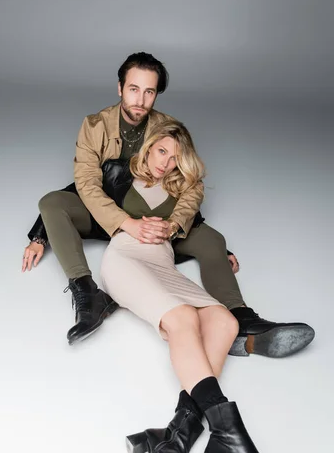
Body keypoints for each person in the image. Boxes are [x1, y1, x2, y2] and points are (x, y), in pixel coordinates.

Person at [21, 51, 314, 358]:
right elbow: (86, 185)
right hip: (107, 216)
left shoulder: (169, 128)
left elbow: (192, 185)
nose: (140, 100)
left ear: (156, 94)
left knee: (213, 240)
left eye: (149, 92)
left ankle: (240, 317)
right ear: (120, 88)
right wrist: (44, 234)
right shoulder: (94, 126)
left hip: (157, 220)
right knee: (52, 202)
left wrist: (174, 225)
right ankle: (88, 293)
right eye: (133, 89)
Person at [99, 121, 301, 453]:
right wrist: (40, 235)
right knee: (183, 322)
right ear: (150, 147)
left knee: (224, 322)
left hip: (163, 261)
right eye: (161, 152)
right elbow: (81, 194)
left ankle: (172, 440)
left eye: (175, 158)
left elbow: (190, 216)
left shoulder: (187, 188)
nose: (166, 163)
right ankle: (230, 441)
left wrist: (172, 225)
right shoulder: (120, 172)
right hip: (126, 257)